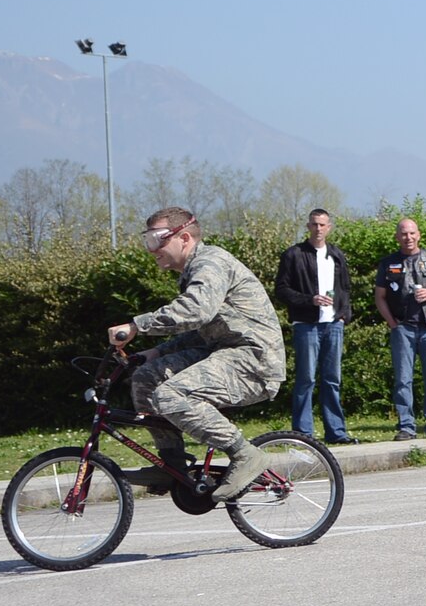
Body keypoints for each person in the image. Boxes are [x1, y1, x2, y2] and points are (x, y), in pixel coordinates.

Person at [110, 207, 286, 502]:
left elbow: (196, 310)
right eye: (148, 241)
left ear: (185, 237)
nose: (152, 250)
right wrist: (156, 352)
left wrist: (137, 325)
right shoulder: (193, 270)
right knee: (145, 379)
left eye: (158, 240)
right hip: (224, 351)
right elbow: (202, 330)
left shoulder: (210, 262)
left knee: (170, 395)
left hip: (253, 359)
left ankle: (245, 455)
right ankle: (172, 466)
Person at [273, 208, 357, 445]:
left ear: (329, 227)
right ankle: (303, 433)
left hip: (333, 325)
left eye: (322, 225)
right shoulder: (294, 254)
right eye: (314, 224)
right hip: (306, 325)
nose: (318, 229)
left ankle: (336, 431)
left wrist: (343, 316)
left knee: (332, 379)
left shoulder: (336, 255)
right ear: (308, 227)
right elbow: (281, 289)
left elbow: (346, 288)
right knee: (306, 378)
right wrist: (309, 299)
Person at [374, 218, 426, 441]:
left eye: (411, 233)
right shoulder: (387, 263)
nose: (408, 238)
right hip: (403, 328)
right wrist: (392, 323)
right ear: (397, 237)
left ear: (418, 234)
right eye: (403, 234)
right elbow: (380, 297)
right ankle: (406, 426)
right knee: (403, 379)